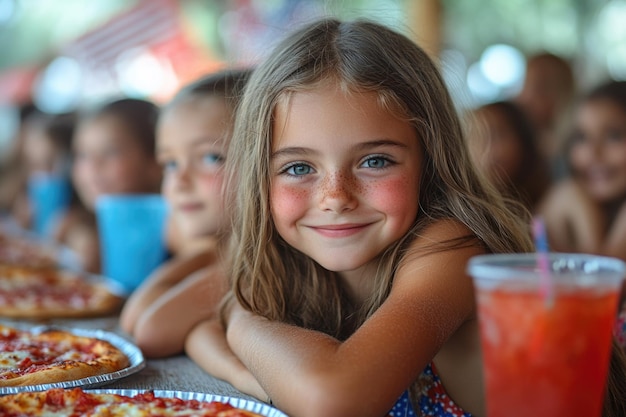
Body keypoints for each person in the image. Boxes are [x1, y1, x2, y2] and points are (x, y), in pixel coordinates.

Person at [185, 18, 537, 417]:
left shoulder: (452, 250)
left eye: (375, 161)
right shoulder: (293, 264)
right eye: (299, 168)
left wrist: (238, 317)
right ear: (258, 180)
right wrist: (249, 375)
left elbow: (335, 402)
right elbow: (184, 331)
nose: (335, 197)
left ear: (431, 161)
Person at [119, 68, 252, 358]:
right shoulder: (221, 252)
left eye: (210, 157)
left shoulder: (253, 268)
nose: (179, 181)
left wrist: (202, 253)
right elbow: (133, 318)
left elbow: (149, 331)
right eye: (170, 163)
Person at [538, 80, 626, 353]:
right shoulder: (564, 200)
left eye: (613, 136)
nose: (594, 153)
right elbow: (597, 290)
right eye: (581, 138)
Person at [62, 98, 162, 273]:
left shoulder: (170, 237)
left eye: (111, 152)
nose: (92, 166)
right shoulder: (81, 226)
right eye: (82, 154)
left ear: (155, 161)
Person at [467, 100, 550, 213]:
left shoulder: (552, 201)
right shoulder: (470, 212)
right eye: (475, 138)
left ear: (522, 139)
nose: (484, 149)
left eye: (495, 136)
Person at [516, 52, 576, 180]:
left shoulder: (571, 153)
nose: (524, 98)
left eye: (538, 88)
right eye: (525, 85)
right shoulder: (520, 144)